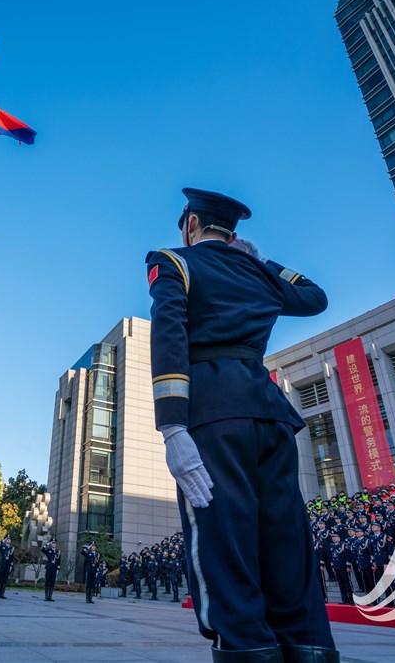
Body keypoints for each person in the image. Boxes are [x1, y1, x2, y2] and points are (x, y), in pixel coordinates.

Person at [146, 188, 336, 663]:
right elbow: (315, 297)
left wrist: (172, 426)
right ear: (232, 233)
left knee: (222, 541)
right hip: (269, 414)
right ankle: (309, 646)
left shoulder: (174, 261)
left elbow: (169, 336)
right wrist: (266, 262)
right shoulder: (259, 273)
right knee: (285, 541)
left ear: (191, 225)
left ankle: (246, 649)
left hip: (213, 414)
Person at [0, 534, 14, 598]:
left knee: (5, 580)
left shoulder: (12, 548)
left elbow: (12, 557)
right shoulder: (2, 546)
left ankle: (2, 594)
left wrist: (11, 565)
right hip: (2, 564)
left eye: (9, 539)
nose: (8, 540)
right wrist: (2, 541)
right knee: (0, 579)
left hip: (8, 565)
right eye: (7, 539)